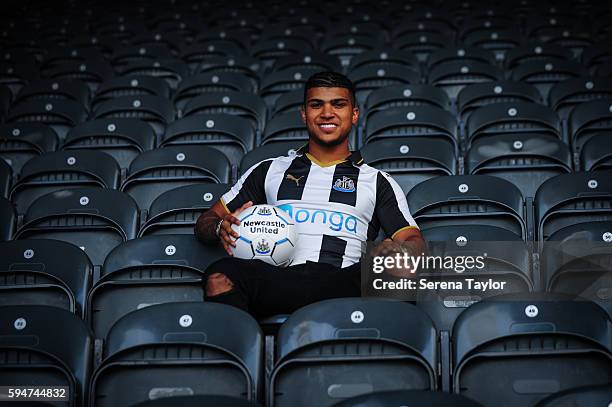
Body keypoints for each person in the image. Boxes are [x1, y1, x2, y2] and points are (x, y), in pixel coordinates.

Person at [195, 71, 424, 318]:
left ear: (354, 114)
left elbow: (414, 241)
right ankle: (243, 354)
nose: (327, 113)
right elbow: (204, 223)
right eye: (317, 105)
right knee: (220, 275)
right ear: (304, 114)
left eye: (338, 104)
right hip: (280, 279)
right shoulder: (270, 170)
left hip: (346, 280)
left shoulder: (377, 180)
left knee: (404, 269)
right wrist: (220, 227)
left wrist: (396, 251)